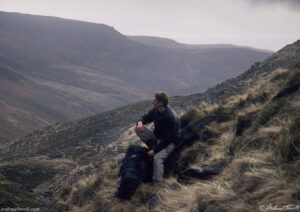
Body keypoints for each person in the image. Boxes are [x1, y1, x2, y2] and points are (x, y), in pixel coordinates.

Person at [135, 91, 181, 181]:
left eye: (155, 100)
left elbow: (169, 139)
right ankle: (152, 146)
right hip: (158, 137)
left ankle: (157, 181)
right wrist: (140, 122)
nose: (153, 101)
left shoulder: (170, 117)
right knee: (137, 128)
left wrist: (155, 150)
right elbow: (145, 117)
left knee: (157, 158)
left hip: (170, 142)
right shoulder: (156, 110)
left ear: (161, 103)